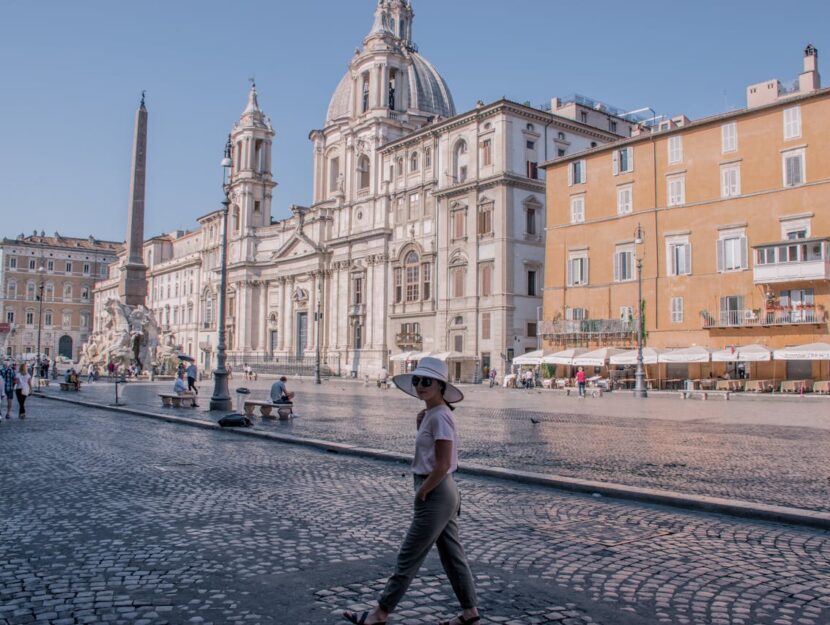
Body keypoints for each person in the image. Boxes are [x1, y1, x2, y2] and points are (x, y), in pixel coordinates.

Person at [342, 357, 479, 625]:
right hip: (440, 490)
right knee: (452, 556)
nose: (420, 386)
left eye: (427, 381)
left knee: (409, 555)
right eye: (417, 380)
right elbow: (432, 454)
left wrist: (423, 492)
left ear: (440, 385)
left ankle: (380, 613)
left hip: (436, 490)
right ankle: (470, 613)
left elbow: (442, 464)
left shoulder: (440, 417)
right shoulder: (432, 415)